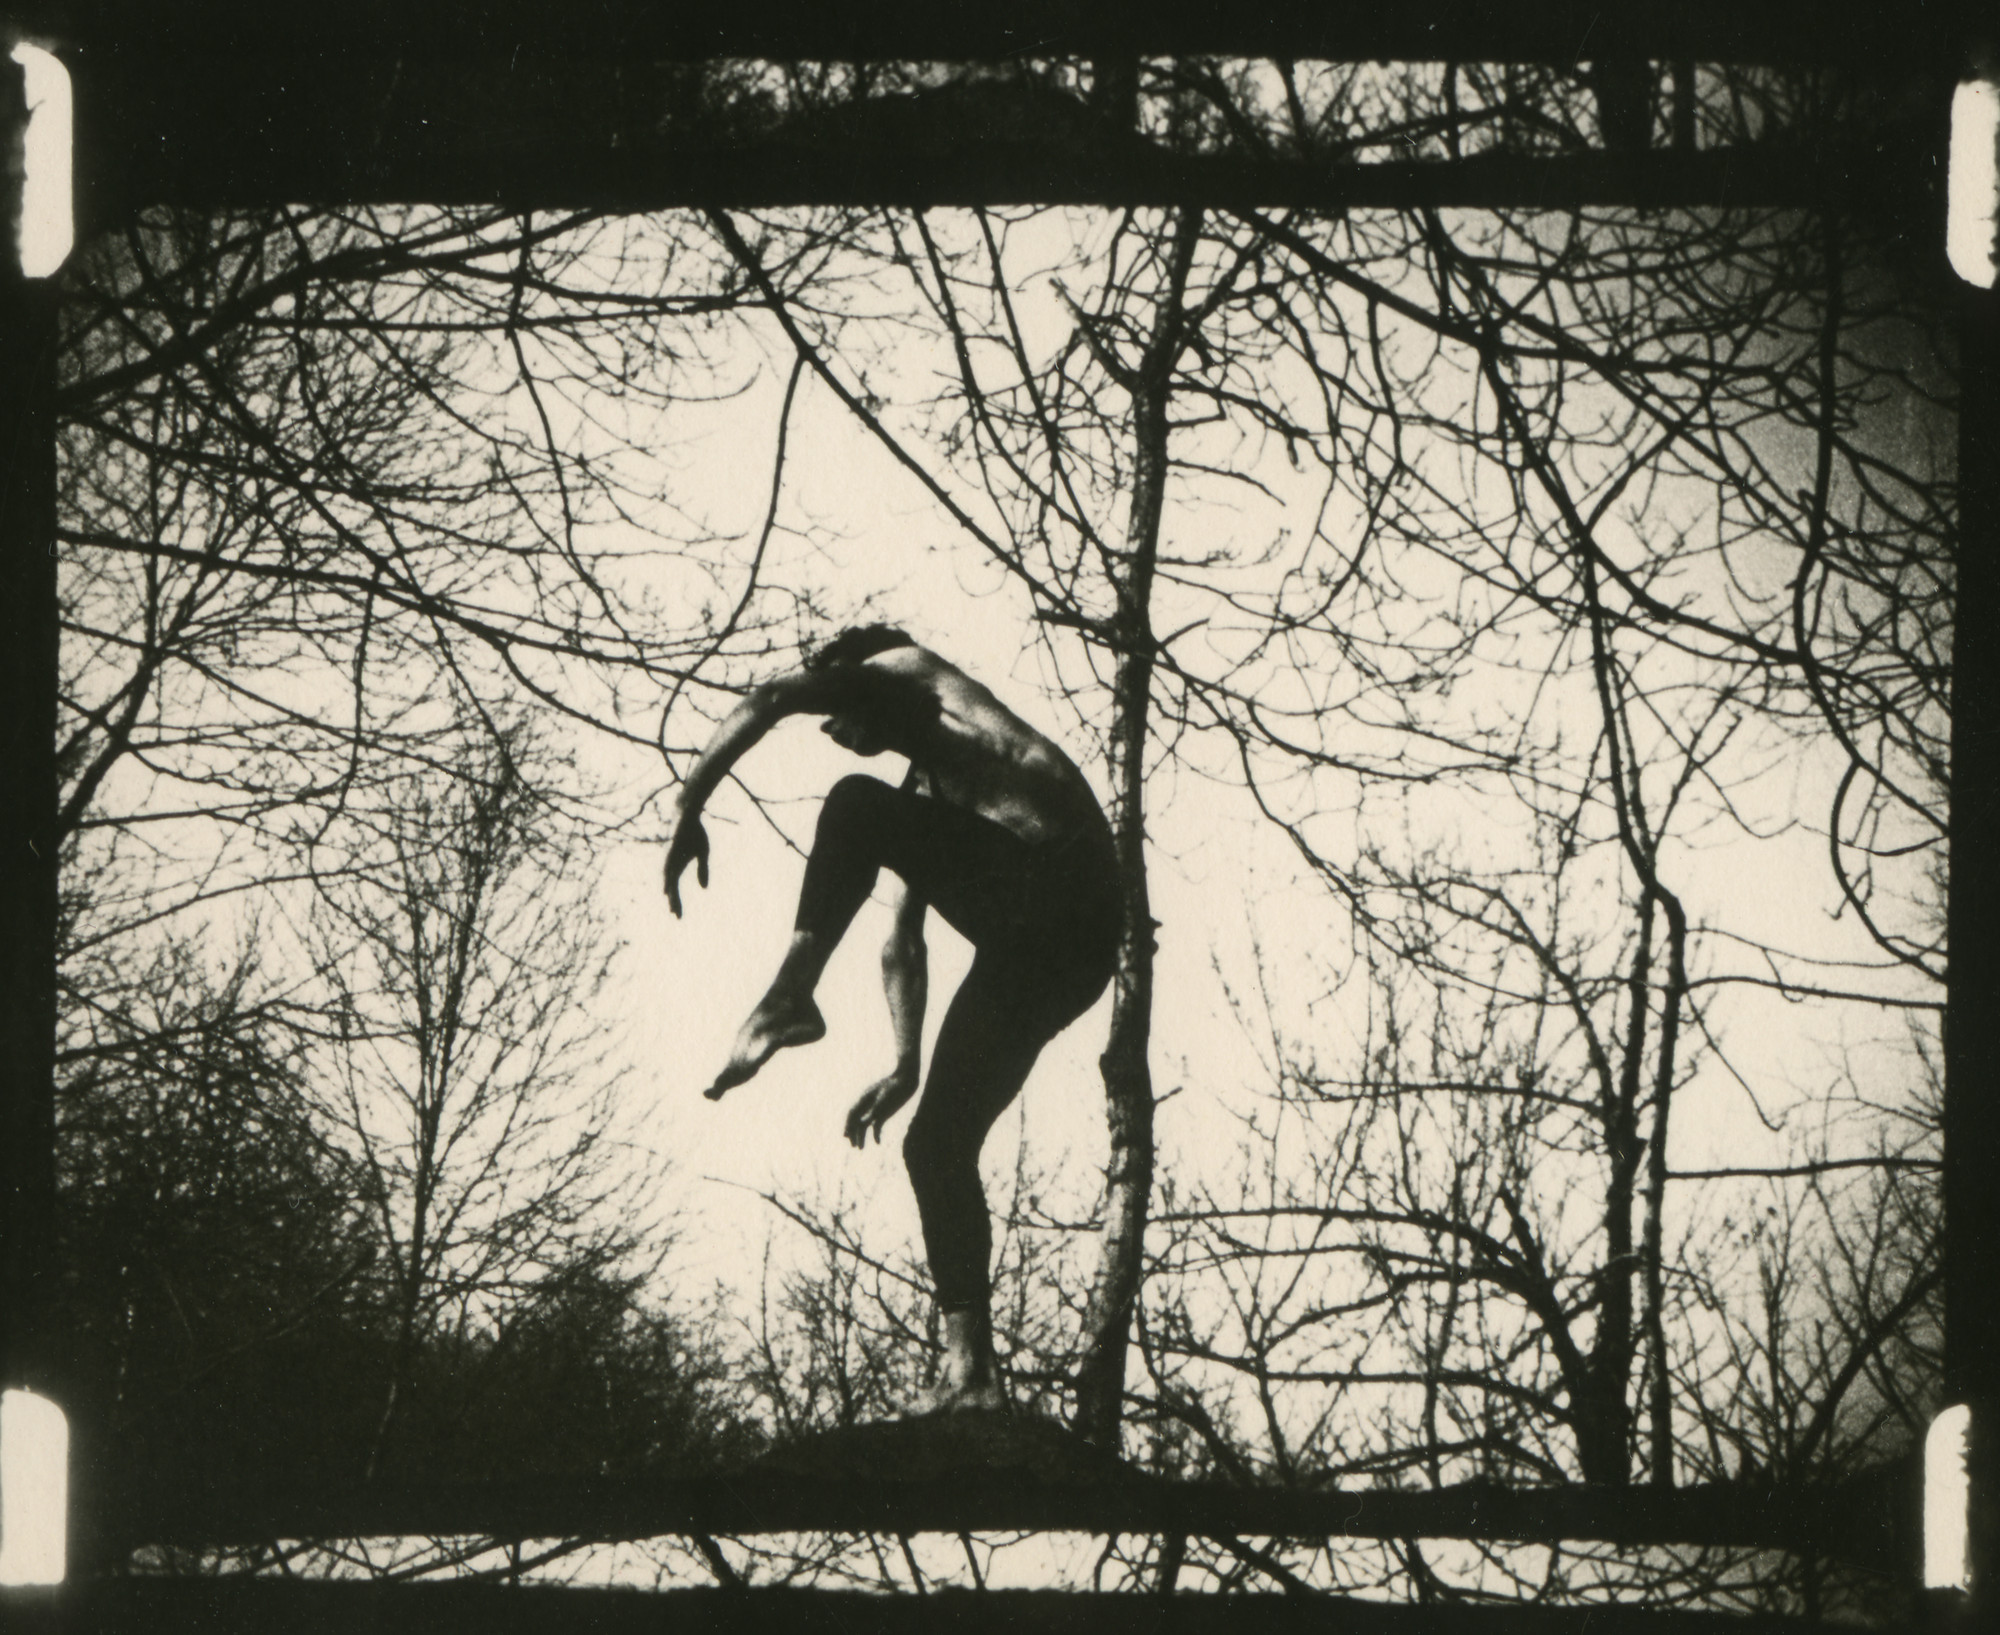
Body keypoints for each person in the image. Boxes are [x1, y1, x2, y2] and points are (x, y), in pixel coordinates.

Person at [664, 626, 1119, 1412]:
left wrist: (689, 801)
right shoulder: (932, 782)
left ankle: (787, 995)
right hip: (1054, 955)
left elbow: (774, 697)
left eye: (836, 713)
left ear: (854, 677)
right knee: (936, 1145)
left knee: (850, 804)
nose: (834, 731)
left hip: (1066, 887)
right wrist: (908, 1062)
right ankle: (971, 1375)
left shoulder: (906, 673)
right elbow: (902, 940)